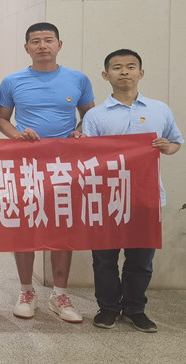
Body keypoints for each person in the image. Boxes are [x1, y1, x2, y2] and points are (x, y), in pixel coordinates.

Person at [0, 22, 95, 323]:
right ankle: (26, 291)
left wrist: (79, 131)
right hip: (26, 165)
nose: (42, 45)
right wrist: (16, 135)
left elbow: (90, 115)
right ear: (26, 47)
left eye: (48, 40)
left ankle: (60, 294)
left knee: (62, 227)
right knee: (25, 228)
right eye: (36, 41)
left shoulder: (78, 79)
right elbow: (2, 119)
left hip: (64, 165)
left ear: (59, 45)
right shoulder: (12, 81)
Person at [82, 48, 182, 333]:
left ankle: (135, 309)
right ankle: (108, 308)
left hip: (146, 197)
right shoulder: (95, 115)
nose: (124, 71)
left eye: (130, 66)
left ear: (141, 72)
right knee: (104, 259)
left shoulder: (159, 109)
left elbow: (175, 142)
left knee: (141, 260)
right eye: (117, 67)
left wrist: (167, 147)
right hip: (107, 198)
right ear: (106, 75)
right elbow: (88, 156)